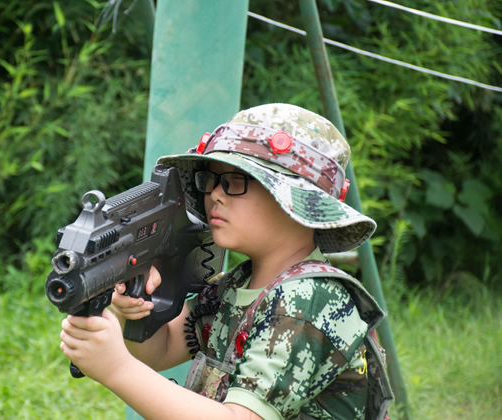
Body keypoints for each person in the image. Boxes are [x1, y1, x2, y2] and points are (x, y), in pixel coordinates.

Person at [59, 103, 392, 419]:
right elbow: (163, 349)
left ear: (295, 202)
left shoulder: (306, 301)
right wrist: (134, 311)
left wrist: (117, 368)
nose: (215, 194)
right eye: (212, 180)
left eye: (235, 181)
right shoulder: (237, 284)